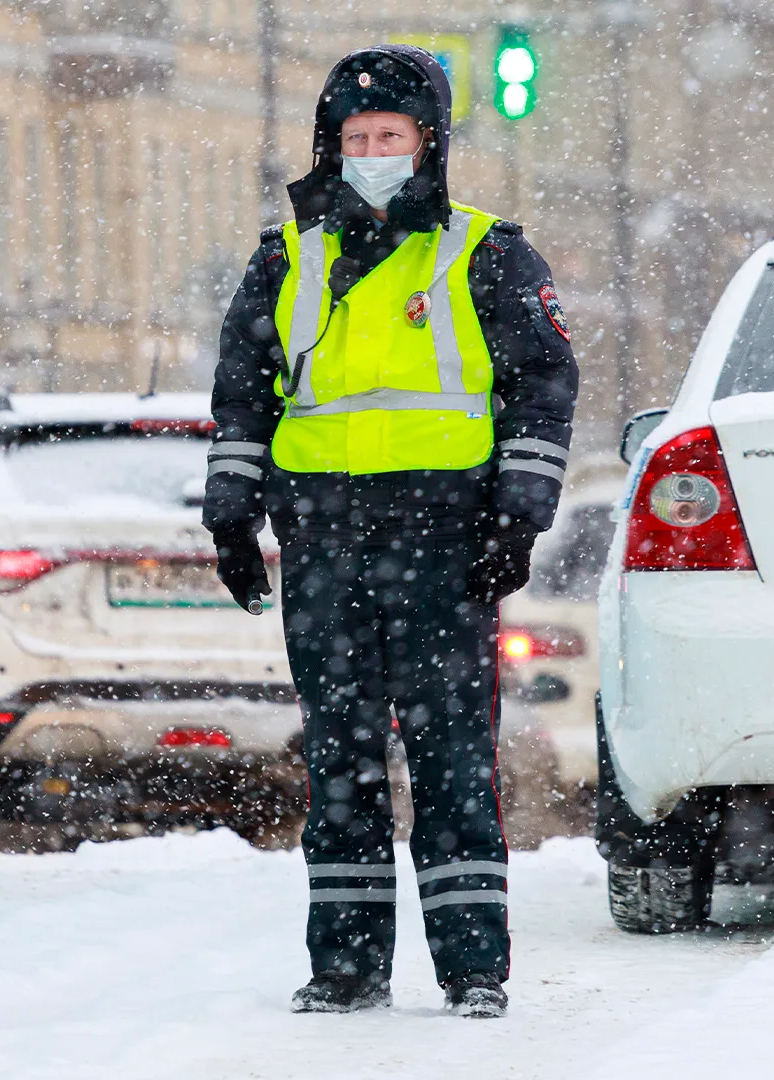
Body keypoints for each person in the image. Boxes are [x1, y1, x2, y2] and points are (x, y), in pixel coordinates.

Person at [202, 45, 578, 1018]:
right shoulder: (289, 258)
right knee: (340, 756)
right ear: (333, 146)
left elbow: (540, 389)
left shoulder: (484, 251)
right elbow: (243, 397)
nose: (372, 153)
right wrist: (232, 514)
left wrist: (519, 518)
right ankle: (347, 964)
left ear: (428, 147)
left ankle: (472, 968)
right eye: (355, 138)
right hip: (324, 541)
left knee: (454, 754)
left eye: (390, 138)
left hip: (445, 543)